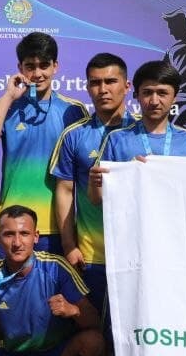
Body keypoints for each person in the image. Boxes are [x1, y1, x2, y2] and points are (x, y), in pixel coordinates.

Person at [0, 32, 89, 256]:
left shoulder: (74, 111)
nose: (37, 73)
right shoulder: (4, 106)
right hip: (10, 226)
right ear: (20, 68)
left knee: (58, 293)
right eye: (30, 66)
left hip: (59, 228)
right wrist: (8, 97)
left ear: (56, 66)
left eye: (44, 65)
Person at [0, 205, 104, 356]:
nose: (17, 242)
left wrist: (73, 310)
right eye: (9, 234)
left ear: (36, 237)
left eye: (24, 234)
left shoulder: (56, 267)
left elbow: (95, 322)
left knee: (94, 342)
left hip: (57, 355)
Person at [50, 52, 135, 316]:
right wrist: (69, 245)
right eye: (95, 83)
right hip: (90, 256)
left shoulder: (145, 133)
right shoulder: (75, 134)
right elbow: (64, 191)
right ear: (87, 87)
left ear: (127, 86)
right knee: (92, 332)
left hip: (135, 254)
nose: (103, 89)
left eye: (110, 81)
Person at [89, 61, 186, 194]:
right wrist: (95, 185)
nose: (154, 101)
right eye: (147, 93)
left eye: (162, 93)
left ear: (175, 97)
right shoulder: (116, 139)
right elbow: (97, 199)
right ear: (136, 95)